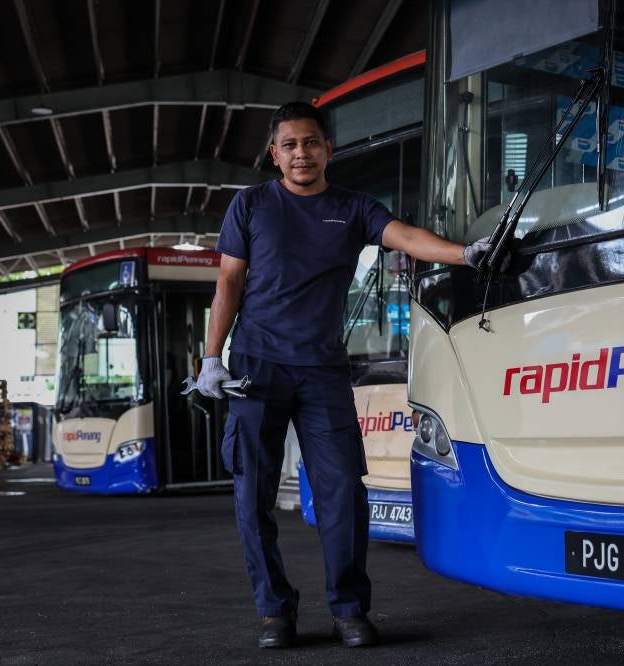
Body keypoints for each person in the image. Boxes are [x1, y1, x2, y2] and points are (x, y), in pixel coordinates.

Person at [199, 101, 499, 650]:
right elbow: (229, 285)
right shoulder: (250, 206)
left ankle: (349, 609)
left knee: (343, 494)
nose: (301, 153)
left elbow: (406, 237)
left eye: (311, 143)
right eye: (289, 145)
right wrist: (210, 359)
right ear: (275, 155)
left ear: (327, 150)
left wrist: (465, 254)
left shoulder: (353, 207)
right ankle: (274, 612)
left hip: (323, 372)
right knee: (252, 495)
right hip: (255, 369)